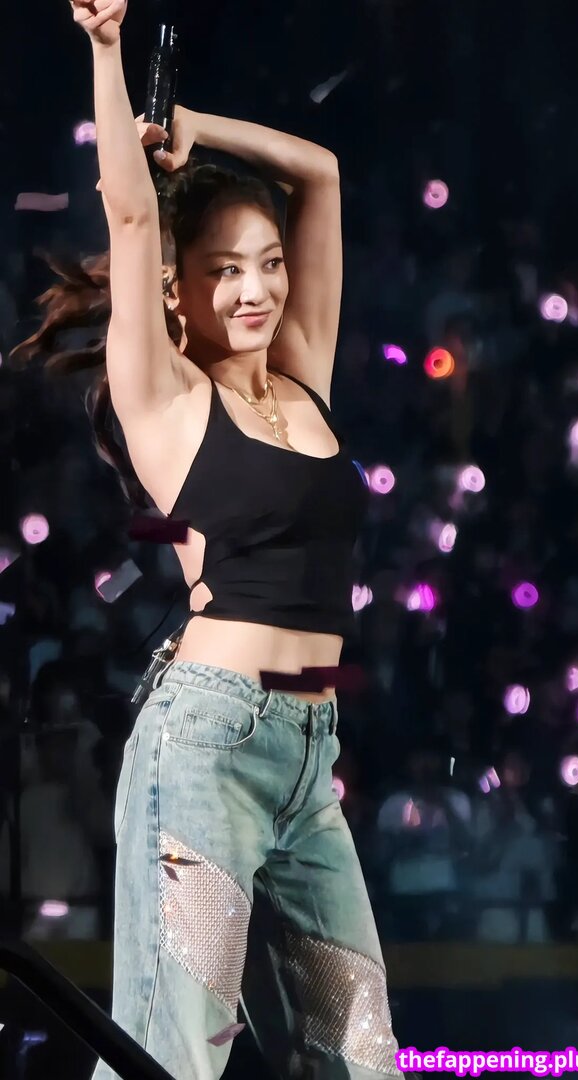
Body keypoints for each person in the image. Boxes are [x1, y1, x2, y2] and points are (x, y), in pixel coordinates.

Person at [11, 2, 417, 1078]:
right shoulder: (167, 401)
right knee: (173, 1056)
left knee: (361, 1059)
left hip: (309, 761)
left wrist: (196, 126)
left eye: (268, 264)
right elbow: (130, 216)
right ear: (175, 290)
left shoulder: (302, 381)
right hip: (206, 745)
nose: (257, 289)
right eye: (227, 269)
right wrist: (107, 50)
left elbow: (321, 171)